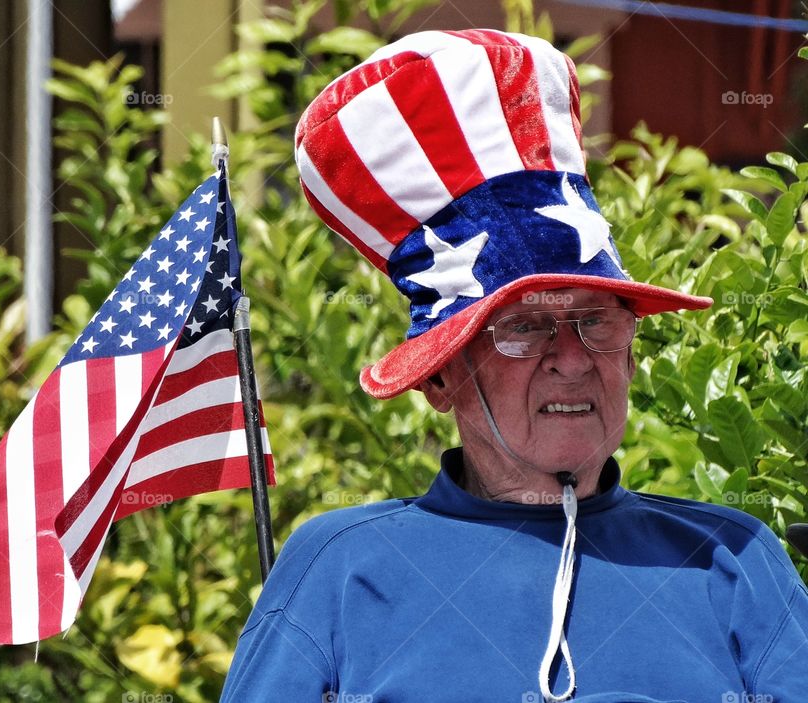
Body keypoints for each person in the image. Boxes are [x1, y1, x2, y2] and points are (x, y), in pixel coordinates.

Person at [220, 29, 808, 702]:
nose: (571, 359)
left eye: (596, 320)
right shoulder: (338, 570)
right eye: (524, 328)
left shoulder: (734, 562)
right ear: (440, 376)